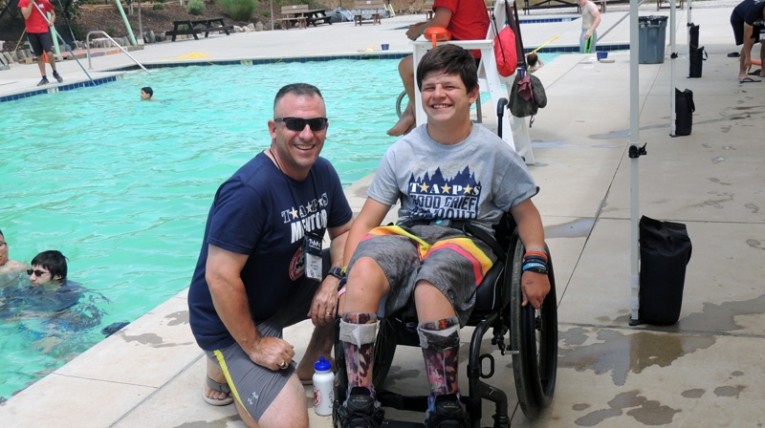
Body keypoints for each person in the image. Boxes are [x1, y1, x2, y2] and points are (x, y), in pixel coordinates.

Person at [336, 44, 551, 428]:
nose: (438, 95)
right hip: (409, 236)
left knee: (430, 285)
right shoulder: (402, 151)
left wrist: (535, 261)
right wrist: (344, 278)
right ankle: (359, 399)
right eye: (430, 87)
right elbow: (367, 222)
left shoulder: (494, 153)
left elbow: (526, 215)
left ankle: (446, 400)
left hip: (467, 239)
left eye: (449, 86)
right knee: (365, 269)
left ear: (471, 94)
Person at [187, 83, 354, 427]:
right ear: (274, 128)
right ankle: (224, 361)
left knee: (360, 272)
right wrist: (255, 345)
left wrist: (333, 279)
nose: (307, 134)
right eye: (294, 124)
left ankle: (314, 360)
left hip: (284, 289)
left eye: (317, 124)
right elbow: (219, 277)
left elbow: (345, 233)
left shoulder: (323, 172)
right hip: (231, 317)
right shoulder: (249, 190)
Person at [387, 0, 490, 137]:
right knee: (420, 61)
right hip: (480, 56)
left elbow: (439, 24)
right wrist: (424, 25)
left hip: (467, 59)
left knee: (405, 66)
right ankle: (411, 114)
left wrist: (417, 30)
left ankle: (417, 119)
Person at [18, 0, 63, 86]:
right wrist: (31, 3)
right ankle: (44, 77)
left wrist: (51, 21)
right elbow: (26, 16)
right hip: (32, 32)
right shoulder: (24, 1)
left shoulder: (44, 1)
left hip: (44, 31)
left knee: (49, 53)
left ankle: (55, 72)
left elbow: (53, 14)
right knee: (39, 56)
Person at [730, 0, 765, 82]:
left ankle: (763, 70)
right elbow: (747, 39)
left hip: (758, 18)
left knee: (764, 41)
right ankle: (742, 73)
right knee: (750, 42)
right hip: (739, 17)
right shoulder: (753, 13)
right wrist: (748, 58)